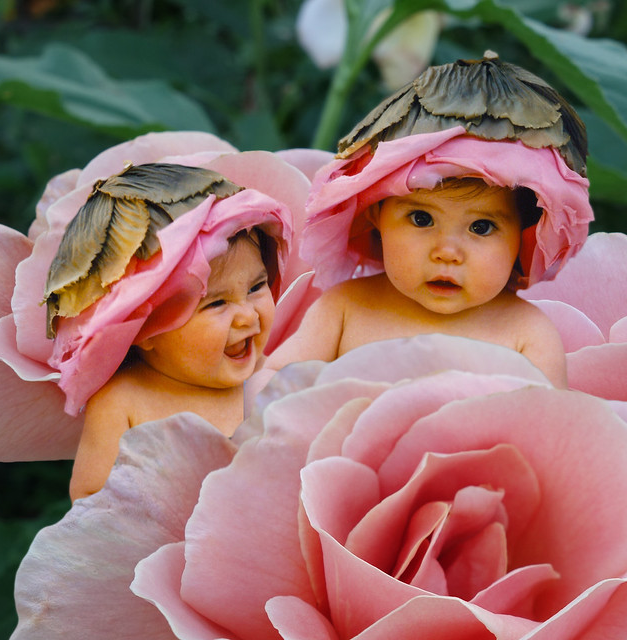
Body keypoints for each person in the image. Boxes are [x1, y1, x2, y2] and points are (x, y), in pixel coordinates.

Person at [265, 54, 594, 386]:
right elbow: (272, 386)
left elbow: (548, 428)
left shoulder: (527, 335)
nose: (447, 251)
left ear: (524, 234)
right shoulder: (345, 308)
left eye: (481, 227)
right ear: (376, 212)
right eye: (421, 218)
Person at [41, 163, 292, 501]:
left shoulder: (275, 381)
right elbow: (91, 500)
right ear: (143, 328)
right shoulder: (123, 402)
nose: (247, 316)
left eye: (257, 286)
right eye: (216, 304)